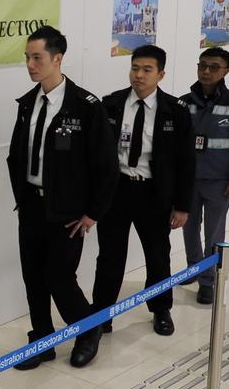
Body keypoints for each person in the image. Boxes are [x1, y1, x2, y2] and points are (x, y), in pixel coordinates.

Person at [7, 26, 118, 370]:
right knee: (33, 276)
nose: (30, 64)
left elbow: (106, 166)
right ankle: (42, 338)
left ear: (58, 58)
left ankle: (87, 330)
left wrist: (93, 213)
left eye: (37, 57)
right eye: (27, 57)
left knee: (59, 277)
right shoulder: (28, 103)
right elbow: (18, 154)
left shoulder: (85, 107)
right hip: (32, 206)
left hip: (67, 211)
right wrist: (23, 197)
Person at [92, 45, 194, 335]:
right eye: (135, 68)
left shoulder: (175, 111)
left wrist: (182, 205)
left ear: (161, 74)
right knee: (110, 256)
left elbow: (186, 162)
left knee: (157, 254)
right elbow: (97, 154)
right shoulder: (110, 105)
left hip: (154, 193)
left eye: (147, 70)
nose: (139, 75)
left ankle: (161, 309)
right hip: (117, 191)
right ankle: (102, 315)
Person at [179, 47, 229, 305]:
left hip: (219, 181)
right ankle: (193, 268)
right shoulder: (183, 103)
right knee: (189, 226)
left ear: (225, 71)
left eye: (214, 67)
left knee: (214, 232)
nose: (206, 71)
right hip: (189, 180)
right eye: (203, 65)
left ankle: (208, 280)